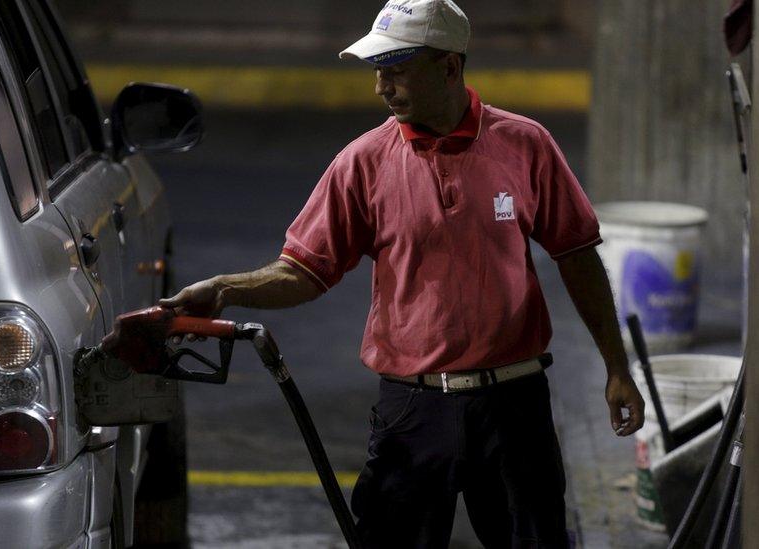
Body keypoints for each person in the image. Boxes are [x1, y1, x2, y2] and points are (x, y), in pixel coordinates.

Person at [160, 0, 645, 546]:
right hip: (413, 410)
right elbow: (304, 270)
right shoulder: (363, 162)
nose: (380, 88)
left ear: (449, 68)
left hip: (513, 404)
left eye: (395, 71)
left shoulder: (525, 145)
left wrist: (617, 367)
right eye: (377, 72)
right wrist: (225, 291)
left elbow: (577, 253)